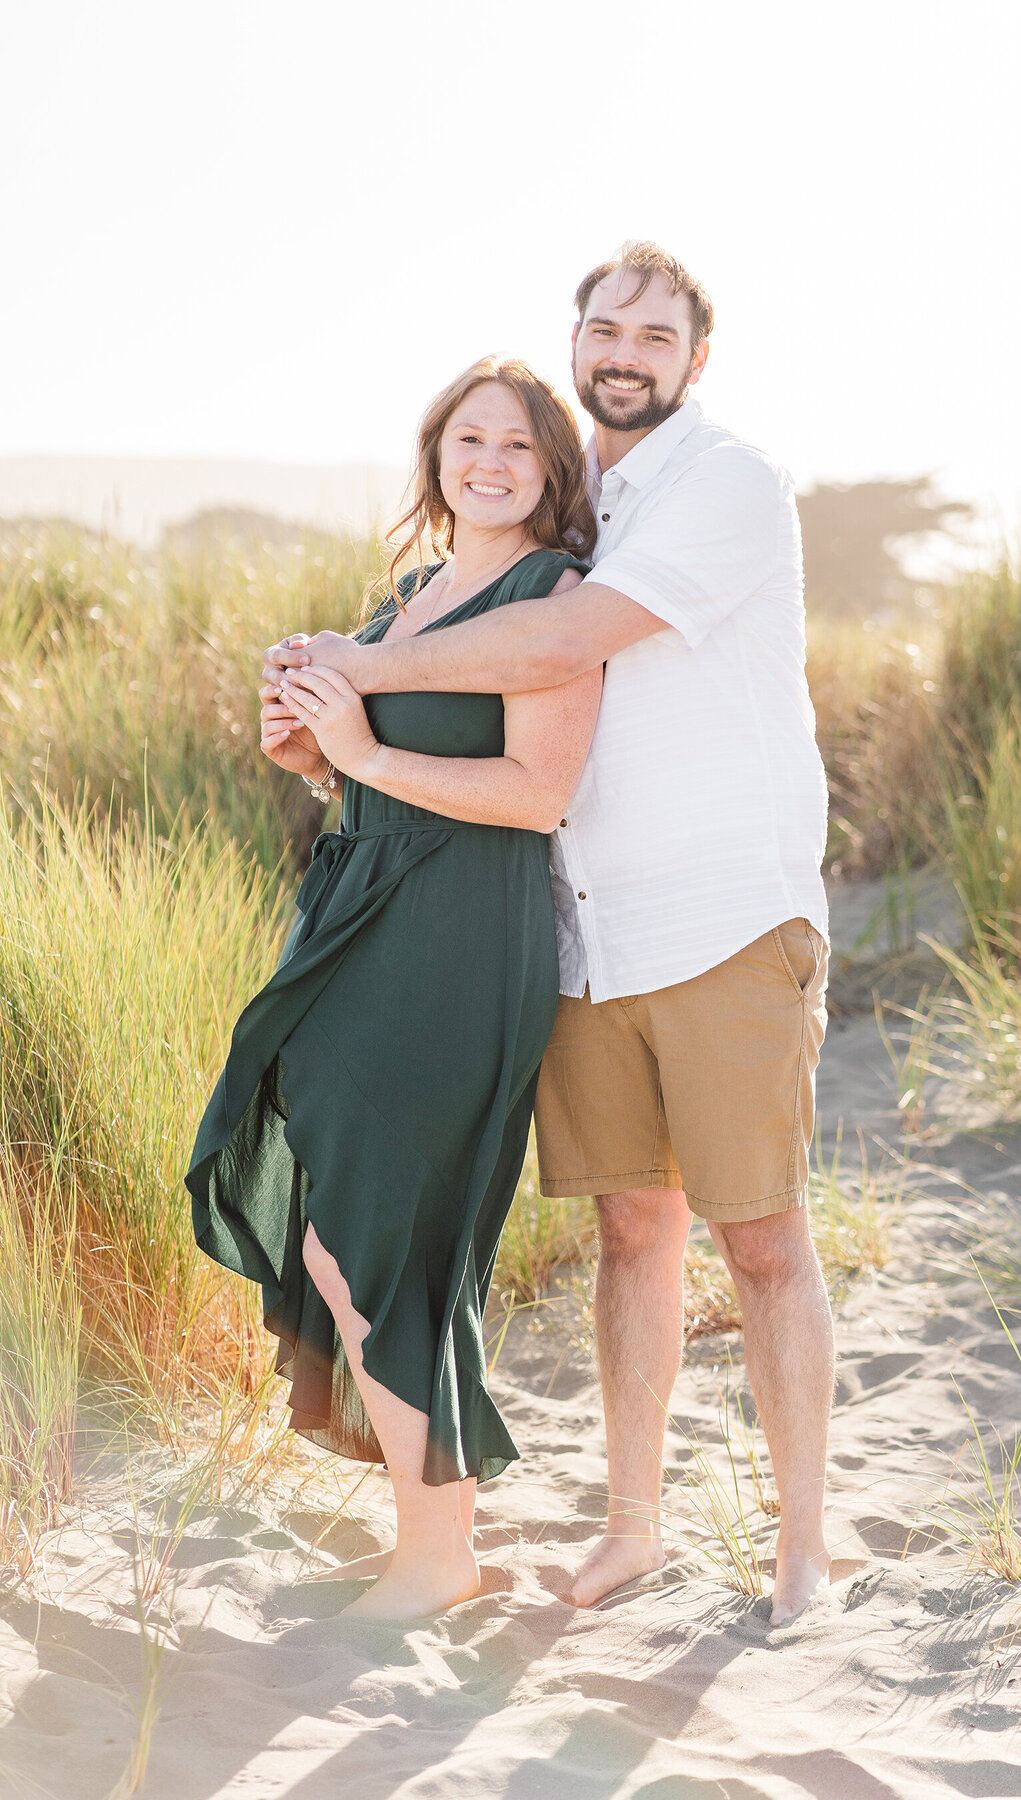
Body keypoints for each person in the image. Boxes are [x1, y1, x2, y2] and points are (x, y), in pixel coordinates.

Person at [263, 243, 834, 1626]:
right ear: (576, 345)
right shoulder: (592, 505)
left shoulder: (724, 484)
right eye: (602, 327)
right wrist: (325, 712)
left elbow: (565, 641)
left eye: (653, 331)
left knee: (761, 1241)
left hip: (722, 919)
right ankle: (632, 1530)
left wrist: (367, 670)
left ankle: (803, 1554)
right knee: (636, 1232)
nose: (623, 349)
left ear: (696, 359)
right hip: (587, 935)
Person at [189, 356, 601, 1622]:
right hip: (356, 927)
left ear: (551, 475)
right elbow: (370, 773)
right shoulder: (411, 599)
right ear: (434, 457)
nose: (488, 462)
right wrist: (317, 759)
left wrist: (365, 744)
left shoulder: (554, 599)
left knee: (380, 1231)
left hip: (457, 944)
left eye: (518, 447)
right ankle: (425, 1533)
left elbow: (539, 795)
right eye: (466, 438)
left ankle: (441, 1551)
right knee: (337, 1219)